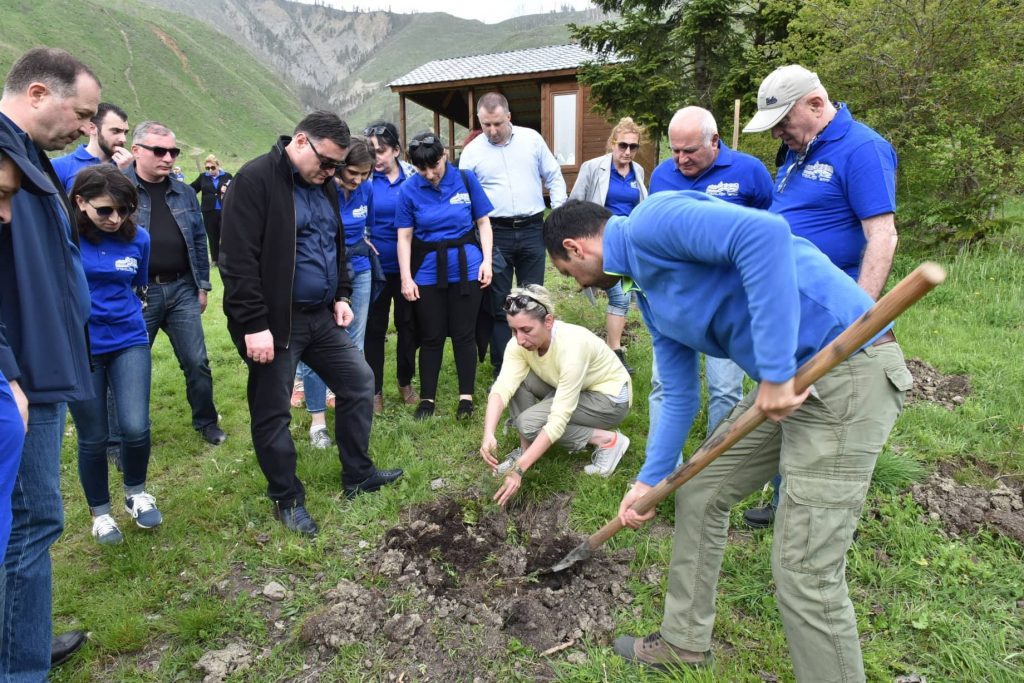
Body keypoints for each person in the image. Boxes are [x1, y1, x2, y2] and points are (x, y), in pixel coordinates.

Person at [544, 195, 911, 681]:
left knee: (805, 569)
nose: (577, 284)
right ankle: (684, 641)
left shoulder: (653, 222)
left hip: (846, 373)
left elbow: (766, 236)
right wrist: (651, 480)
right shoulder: (647, 293)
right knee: (697, 490)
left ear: (575, 248)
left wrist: (777, 371)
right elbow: (677, 391)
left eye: (568, 274)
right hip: (783, 389)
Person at [220, 110, 403, 536]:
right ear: (300, 142)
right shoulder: (256, 180)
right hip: (273, 323)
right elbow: (236, 259)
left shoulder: (321, 186)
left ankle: (358, 474)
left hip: (319, 317)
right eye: (326, 163)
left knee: (358, 381)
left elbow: (332, 241)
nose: (332, 173)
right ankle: (287, 498)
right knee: (273, 412)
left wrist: (339, 293)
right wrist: (253, 323)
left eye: (337, 167)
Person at [740, 65, 899, 528]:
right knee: (790, 404)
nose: (780, 134)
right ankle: (782, 497)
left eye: (783, 123)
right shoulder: (796, 152)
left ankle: (808, 508)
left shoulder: (862, 148)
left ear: (814, 104)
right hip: (795, 312)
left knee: (821, 411)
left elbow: (882, 236)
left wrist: (857, 319)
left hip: (833, 318)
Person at [0, 46, 100, 680]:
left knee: (32, 518)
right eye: (82, 114)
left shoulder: (28, 154)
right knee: (32, 519)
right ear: (38, 93)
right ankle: (20, 665)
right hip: (23, 373)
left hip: (45, 362)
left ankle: (23, 637)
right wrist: (7, 367)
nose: (86, 129)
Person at [646, 106, 776, 441]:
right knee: (664, 383)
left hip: (730, 301)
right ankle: (663, 469)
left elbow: (772, 229)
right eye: (675, 151)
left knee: (724, 387)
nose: (680, 159)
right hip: (677, 296)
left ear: (715, 141)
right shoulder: (661, 176)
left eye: (689, 151)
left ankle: (711, 465)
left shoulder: (749, 171)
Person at [67, 165, 158, 545]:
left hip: (129, 340)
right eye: (105, 210)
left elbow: (140, 284)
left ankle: (136, 493)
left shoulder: (139, 239)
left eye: (123, 209)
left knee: (135, 426)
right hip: (80, 347)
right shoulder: (65, 238)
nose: (115, 218)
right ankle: (101, 514)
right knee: (94, 436)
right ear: (81, 203)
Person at [479, 285, 632, 506]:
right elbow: (502, 387)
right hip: (576, 387)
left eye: (526, 330)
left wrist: (519, 470)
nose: (520, 339)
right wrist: (488, 434)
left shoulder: (572, 347)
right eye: (514, 330)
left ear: (548, 322)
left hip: (609, 399)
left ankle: (608, 441)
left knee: (529, 423)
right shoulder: (519, 344)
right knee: (518, 381)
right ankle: (526, 450)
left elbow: (558, 419)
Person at [126, 121, 227, 446]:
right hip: (139, 294)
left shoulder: (183, 191)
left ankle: (207, 422)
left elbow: (198, 240)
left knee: (197, 361)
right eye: (159, 151)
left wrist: (202, 286)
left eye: (173, 151)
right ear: (136, 151)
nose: (168, 157)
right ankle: (124, 437)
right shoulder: (119, 188)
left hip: (183, 288)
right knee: (130, 367)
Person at [458, 92, 566, 376]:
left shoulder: (532, 139)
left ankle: (538, 364)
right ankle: (504, 368)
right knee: (499, 304)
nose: (492, 131)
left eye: (496, 123)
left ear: (508, 116)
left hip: (532, 228)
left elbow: (553, 176)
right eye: (485, 125)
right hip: (495, 235)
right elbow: (464, 197)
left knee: (533, 300)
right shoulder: (472, 153)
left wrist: (558, 214)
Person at [396, 132, 493, 420]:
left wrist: (487, 261)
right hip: (427, 272)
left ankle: (466, 397)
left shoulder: (465, 179)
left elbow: (484, 223)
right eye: (421, 169)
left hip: (468, 267)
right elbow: (404, 237)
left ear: (444, 157)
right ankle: (427, 399)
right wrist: (405, 278)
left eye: (433, 166)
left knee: (464, 334)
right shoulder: (409, 189)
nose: (429, 174)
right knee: (431, 335)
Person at [296, 135, 377, 448]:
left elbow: (359, 227)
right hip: (324, 271)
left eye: (364, 174)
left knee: (354, 343)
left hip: (360, 267)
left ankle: (350, 420)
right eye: (352, 173)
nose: (357, 180)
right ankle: (318, 422)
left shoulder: (365, 190)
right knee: (316, 346)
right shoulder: (321, 191)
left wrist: (361, 244)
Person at [568, 117, 648, 373]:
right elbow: (575, 203)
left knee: (625, 296)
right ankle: (614, 352)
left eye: (632, 147)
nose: (627, 151)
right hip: (601, 241)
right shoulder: (593, 168)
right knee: (621, 295)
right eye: (622, 145)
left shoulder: (638, 172)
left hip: (628, 242)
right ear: (612, 143)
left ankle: (611, 352)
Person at [362, 121, 419, 414]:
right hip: (375, 269)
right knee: (374, 329)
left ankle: (405, 381)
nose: (376, 158)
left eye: (381, 151)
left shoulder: (413, 176)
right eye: (371, 151)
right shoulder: (363, 178)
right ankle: (374, 391)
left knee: (409, 327)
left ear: (396, 150)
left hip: (408, 269)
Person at [52, 101, 132, 192]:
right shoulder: (59, 166)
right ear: (92, 128)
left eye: (125, 132)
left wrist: (127, 173)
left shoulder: (129, 167)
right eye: (116, 131)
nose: (123, 139)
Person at [190, 154, 233, 266]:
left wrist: (226, 191)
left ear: (218, 166)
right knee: (212, 235)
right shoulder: (203, 177)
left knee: (226, 234)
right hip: (209, 211)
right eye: (207, 168)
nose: (210, 170)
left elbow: (235, 191)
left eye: (212, 167)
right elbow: (192, 189)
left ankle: (228, 259)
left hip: (225, 210)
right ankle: (215, 260)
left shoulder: (227, 176)